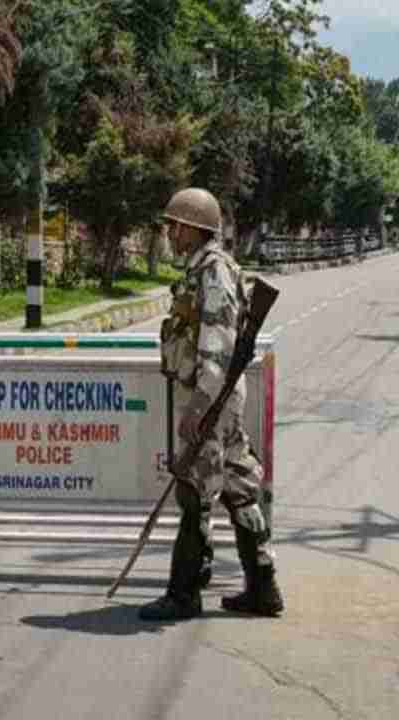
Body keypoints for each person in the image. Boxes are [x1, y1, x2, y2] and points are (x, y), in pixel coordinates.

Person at [140, 187, 284, 621]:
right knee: (240, 487)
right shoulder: (200, 268)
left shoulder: (213, 271)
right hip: (216, 396)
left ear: (191, 228)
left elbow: (216, 345)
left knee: (194, 491)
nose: (169, 232)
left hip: (211, 396)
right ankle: (263, 588)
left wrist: (199, 405)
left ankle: (184, 594)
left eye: (173, 225)